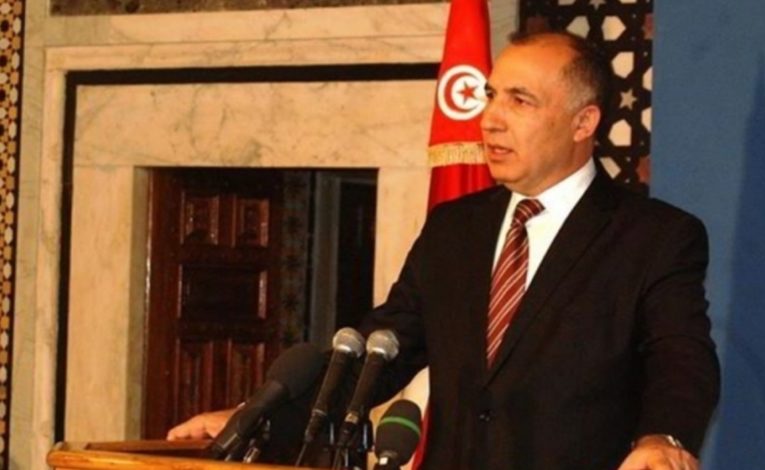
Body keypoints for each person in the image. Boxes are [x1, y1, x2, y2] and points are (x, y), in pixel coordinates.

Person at [169, 31, 720, 470]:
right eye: (491, 96)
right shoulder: (456, 228)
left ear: (584, 121)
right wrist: (259, 417)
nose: (491, 118)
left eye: (520, 101)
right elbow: (383, 351)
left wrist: (663, 438)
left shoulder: (653, 236)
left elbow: (681, 358)